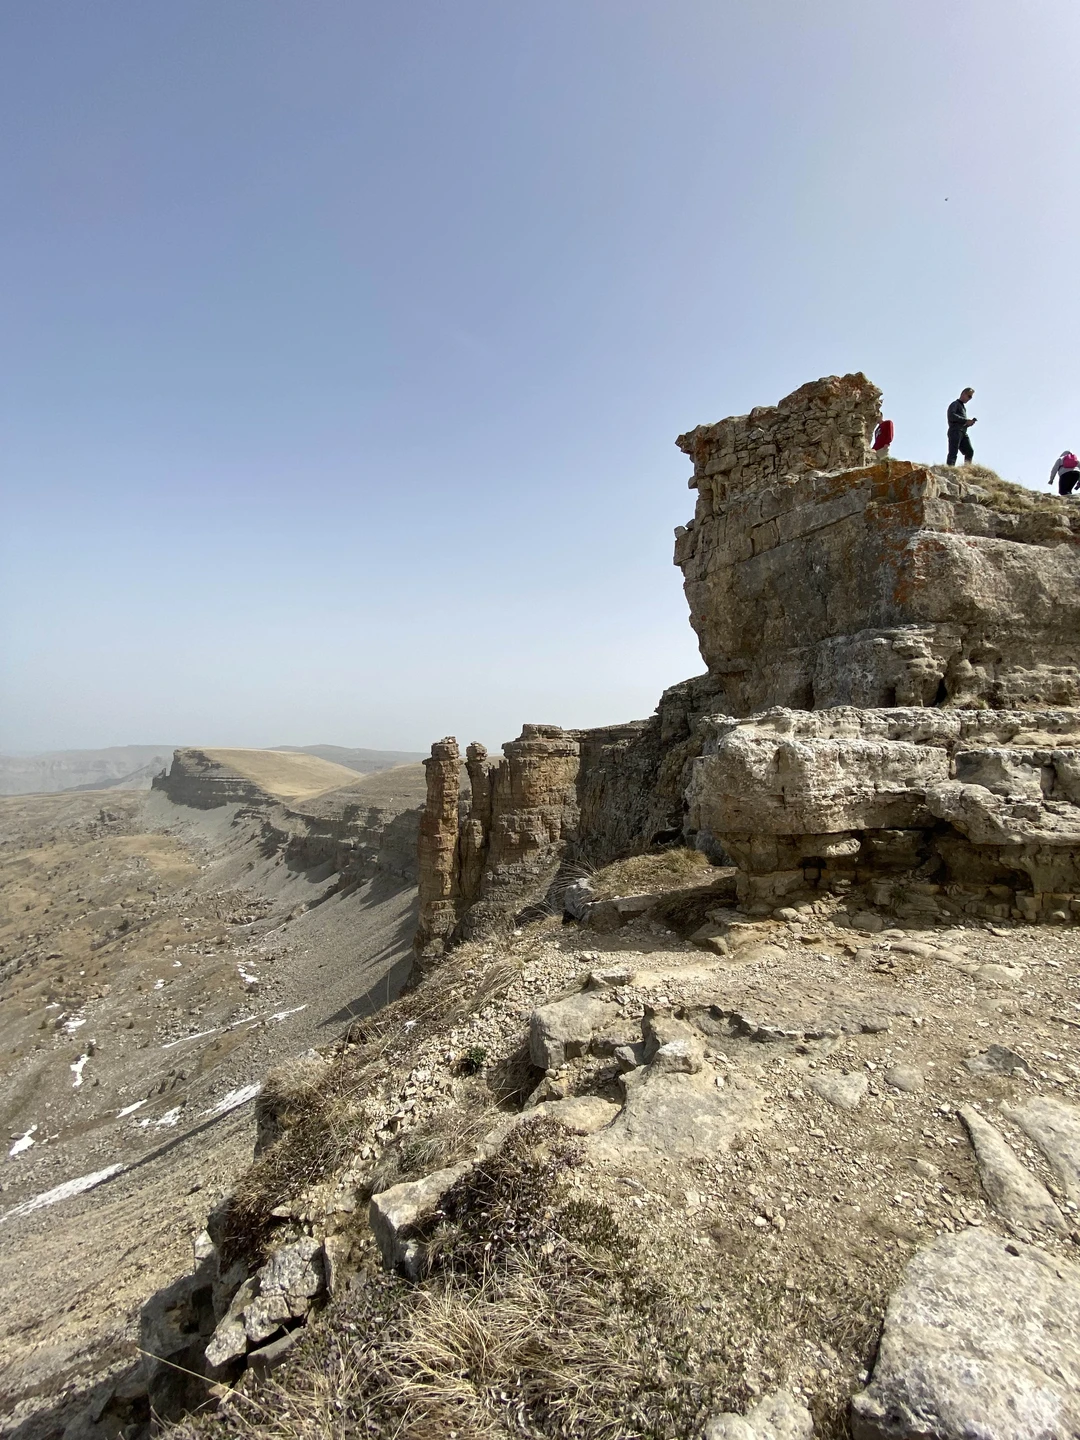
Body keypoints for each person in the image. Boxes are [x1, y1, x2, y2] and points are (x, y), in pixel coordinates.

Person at [946, 388, 977, 465]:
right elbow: (951, 416)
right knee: (953, 452)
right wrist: (965, 421)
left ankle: (967, 469)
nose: (969, 399)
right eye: (969, 396)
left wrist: (968, 423)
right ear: (963, 394)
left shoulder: (963, 407)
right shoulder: (955, 404)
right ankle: (949, 469)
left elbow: (961, 421)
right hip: (955, 431)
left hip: (963, 432)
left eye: (971, 397)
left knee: (969, 451)